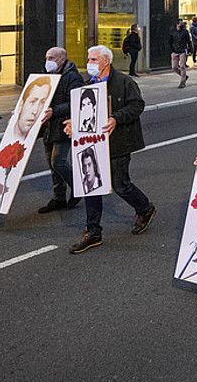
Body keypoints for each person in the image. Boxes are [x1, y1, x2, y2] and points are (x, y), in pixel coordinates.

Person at [67, 45, 157, 254]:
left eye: (93, 59)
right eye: (89, 59)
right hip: (93, 144)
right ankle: (93, 231)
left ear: (106, 61)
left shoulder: (124, 82)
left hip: (118, 143)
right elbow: (81, 112)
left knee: (121, 185)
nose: (89, 63)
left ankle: (144, 208)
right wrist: (72, 124)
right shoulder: (87, 85)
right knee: (91, 186)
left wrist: (116, 118)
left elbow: (137, 106)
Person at [38, 46, 86, 214]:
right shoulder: (47, 76)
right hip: (49, 126)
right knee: (53, 166)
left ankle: (78, 187)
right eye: (46, 57)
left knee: (58, 162)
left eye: (51, 58)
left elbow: (77, 101)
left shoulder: (72, 77)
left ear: (62, 59)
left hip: (63, 125)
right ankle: (59, 197)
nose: (47, 61)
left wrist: (55, 111)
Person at [169, 20, 192, 88]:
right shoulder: (172, 32)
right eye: (180, 23)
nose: (181, 24)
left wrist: (190, 49)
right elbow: (170, 41)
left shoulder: (185, 32)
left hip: (182, 51)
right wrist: (172, 49)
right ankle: (184, 76)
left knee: (182, 66)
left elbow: (188, 41)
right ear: (177, 24)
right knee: (174, 67)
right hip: (175, 51)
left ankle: (183, 82)